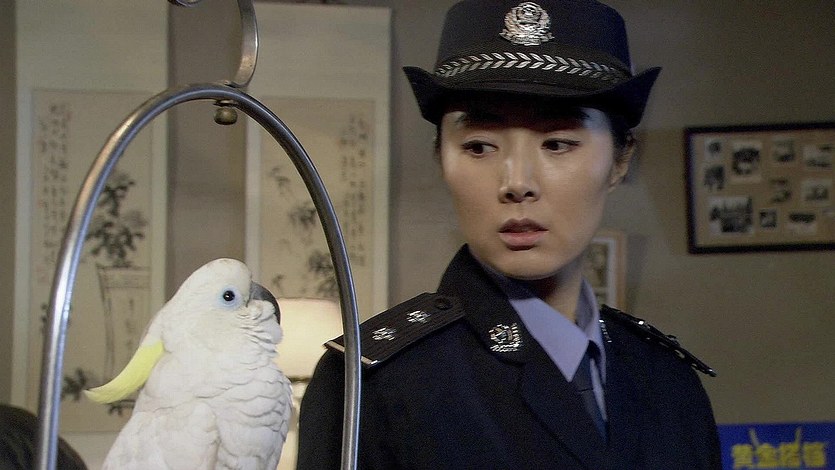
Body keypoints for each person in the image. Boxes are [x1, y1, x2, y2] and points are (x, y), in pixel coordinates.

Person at [297, 1, 721, 468]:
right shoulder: (375, 386)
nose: (517, 182)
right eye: (480, 147)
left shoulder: (669, 382)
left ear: (620, 161)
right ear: (441, 158)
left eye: (557, 143)